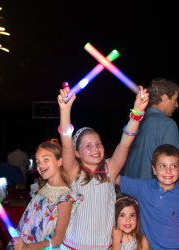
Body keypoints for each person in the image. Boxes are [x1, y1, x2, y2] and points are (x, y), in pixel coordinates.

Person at [57, 85, 149, 249]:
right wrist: (65, 110)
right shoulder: (73, 171)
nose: (95, 149)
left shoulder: (109, 169)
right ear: (77, 152)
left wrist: (136, 112)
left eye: (98, 144)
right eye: (88, 146)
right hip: (72, 246)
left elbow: (125, 143)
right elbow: (66, 143)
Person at [118, 144, 179, 250]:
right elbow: (115, 176)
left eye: (173, 166)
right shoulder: (143, 188)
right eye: (162, 166)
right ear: (154, 170)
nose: (168, 171)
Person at [8, 139, 83, 250]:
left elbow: (57, 239)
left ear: (59, 161)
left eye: (46, 159)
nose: (41, 165)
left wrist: (27, 247)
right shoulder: (40, 189)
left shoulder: (65, 197)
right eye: (38, 161)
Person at [122, 78, 179, 187]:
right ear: (165, 98)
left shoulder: (135, 123)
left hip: (129, 191)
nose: (177, 105)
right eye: (175, 100)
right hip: (153, 193)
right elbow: (173, 162)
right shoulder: (167, 124)